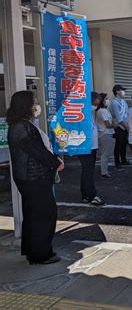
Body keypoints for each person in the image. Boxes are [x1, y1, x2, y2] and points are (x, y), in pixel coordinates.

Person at [7, 91, 64, 265]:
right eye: (34, 102)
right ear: (26, 105)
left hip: (28, 179)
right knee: (43, 215)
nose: (36, 105)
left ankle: (34, 251)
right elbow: (37, 151)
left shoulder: (19, 125)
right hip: (34, 179)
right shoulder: (22, 127)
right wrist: (55, 162)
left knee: (33, 215)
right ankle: (41, 254)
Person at [79, 92, 105, 206]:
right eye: (99, 99)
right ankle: (91, 195)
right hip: (86, 146)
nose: (100, 102)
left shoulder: (92, 110)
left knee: (87, 171)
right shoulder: (86, 109)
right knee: (88, 171)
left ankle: (85, 194)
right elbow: (92, 107)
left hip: (91, 145)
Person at [110, 85, 129, 170]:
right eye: (122, 90)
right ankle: (117, 163)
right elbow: (118, 117)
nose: (123, 92)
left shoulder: (123, 102)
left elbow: (127, 114)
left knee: (124, 144)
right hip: (119, 126)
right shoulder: (114, 102)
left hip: (125, 126)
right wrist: (125, 126)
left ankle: (124, 160)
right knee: (119, 144)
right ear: (117, 91)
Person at [97, 93, 116, 179]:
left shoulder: (105, 110)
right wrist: (114, 125)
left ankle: (105, 170)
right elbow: (107, 124)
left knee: (106, 153)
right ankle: (104, 172)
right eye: (106, 99)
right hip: (105, 133)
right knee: (105, 153)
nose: (108, 100)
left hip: (107, 133)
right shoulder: (102, 110)